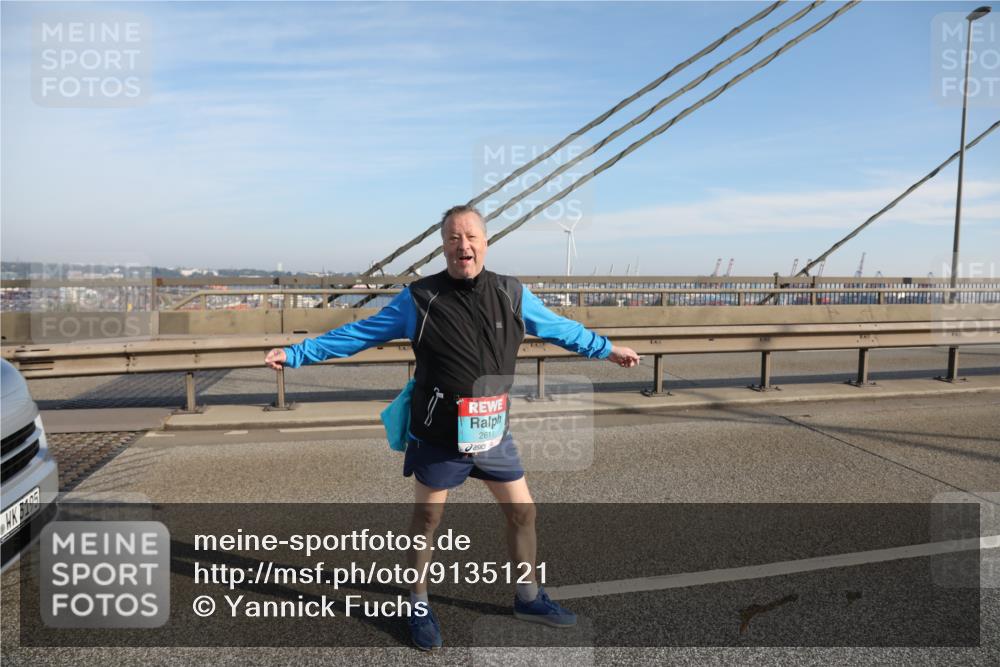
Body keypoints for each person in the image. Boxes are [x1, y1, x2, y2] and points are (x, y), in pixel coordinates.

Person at [265, 205, 640, 650]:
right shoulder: (419, 298)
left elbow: (560, 329)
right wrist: (297, 354)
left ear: (485, 241)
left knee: (523, 512)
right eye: (453, 238)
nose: (463, 245)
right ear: (443, 246)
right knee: (427, 518)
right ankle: (417, 603)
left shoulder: (512, 293)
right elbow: (359, 334)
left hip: (493, 431)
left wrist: (607, 349)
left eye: (471, 237)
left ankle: (528, 597)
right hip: (438, 432)